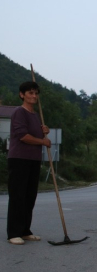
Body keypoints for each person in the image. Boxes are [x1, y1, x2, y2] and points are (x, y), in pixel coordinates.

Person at [7, 82, 51, 245]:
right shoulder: (19, 112)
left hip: (33, 159)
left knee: (29, 196)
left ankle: (25, 231)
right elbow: (23, 136)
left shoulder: (35, 115)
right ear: (22, 95)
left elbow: (35, 134)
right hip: (19, 159)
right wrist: (43, 141)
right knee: (18, 196)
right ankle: (13, 233)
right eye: (30, 93)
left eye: (36, 93)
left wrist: (43, 130)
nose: (34, 96)